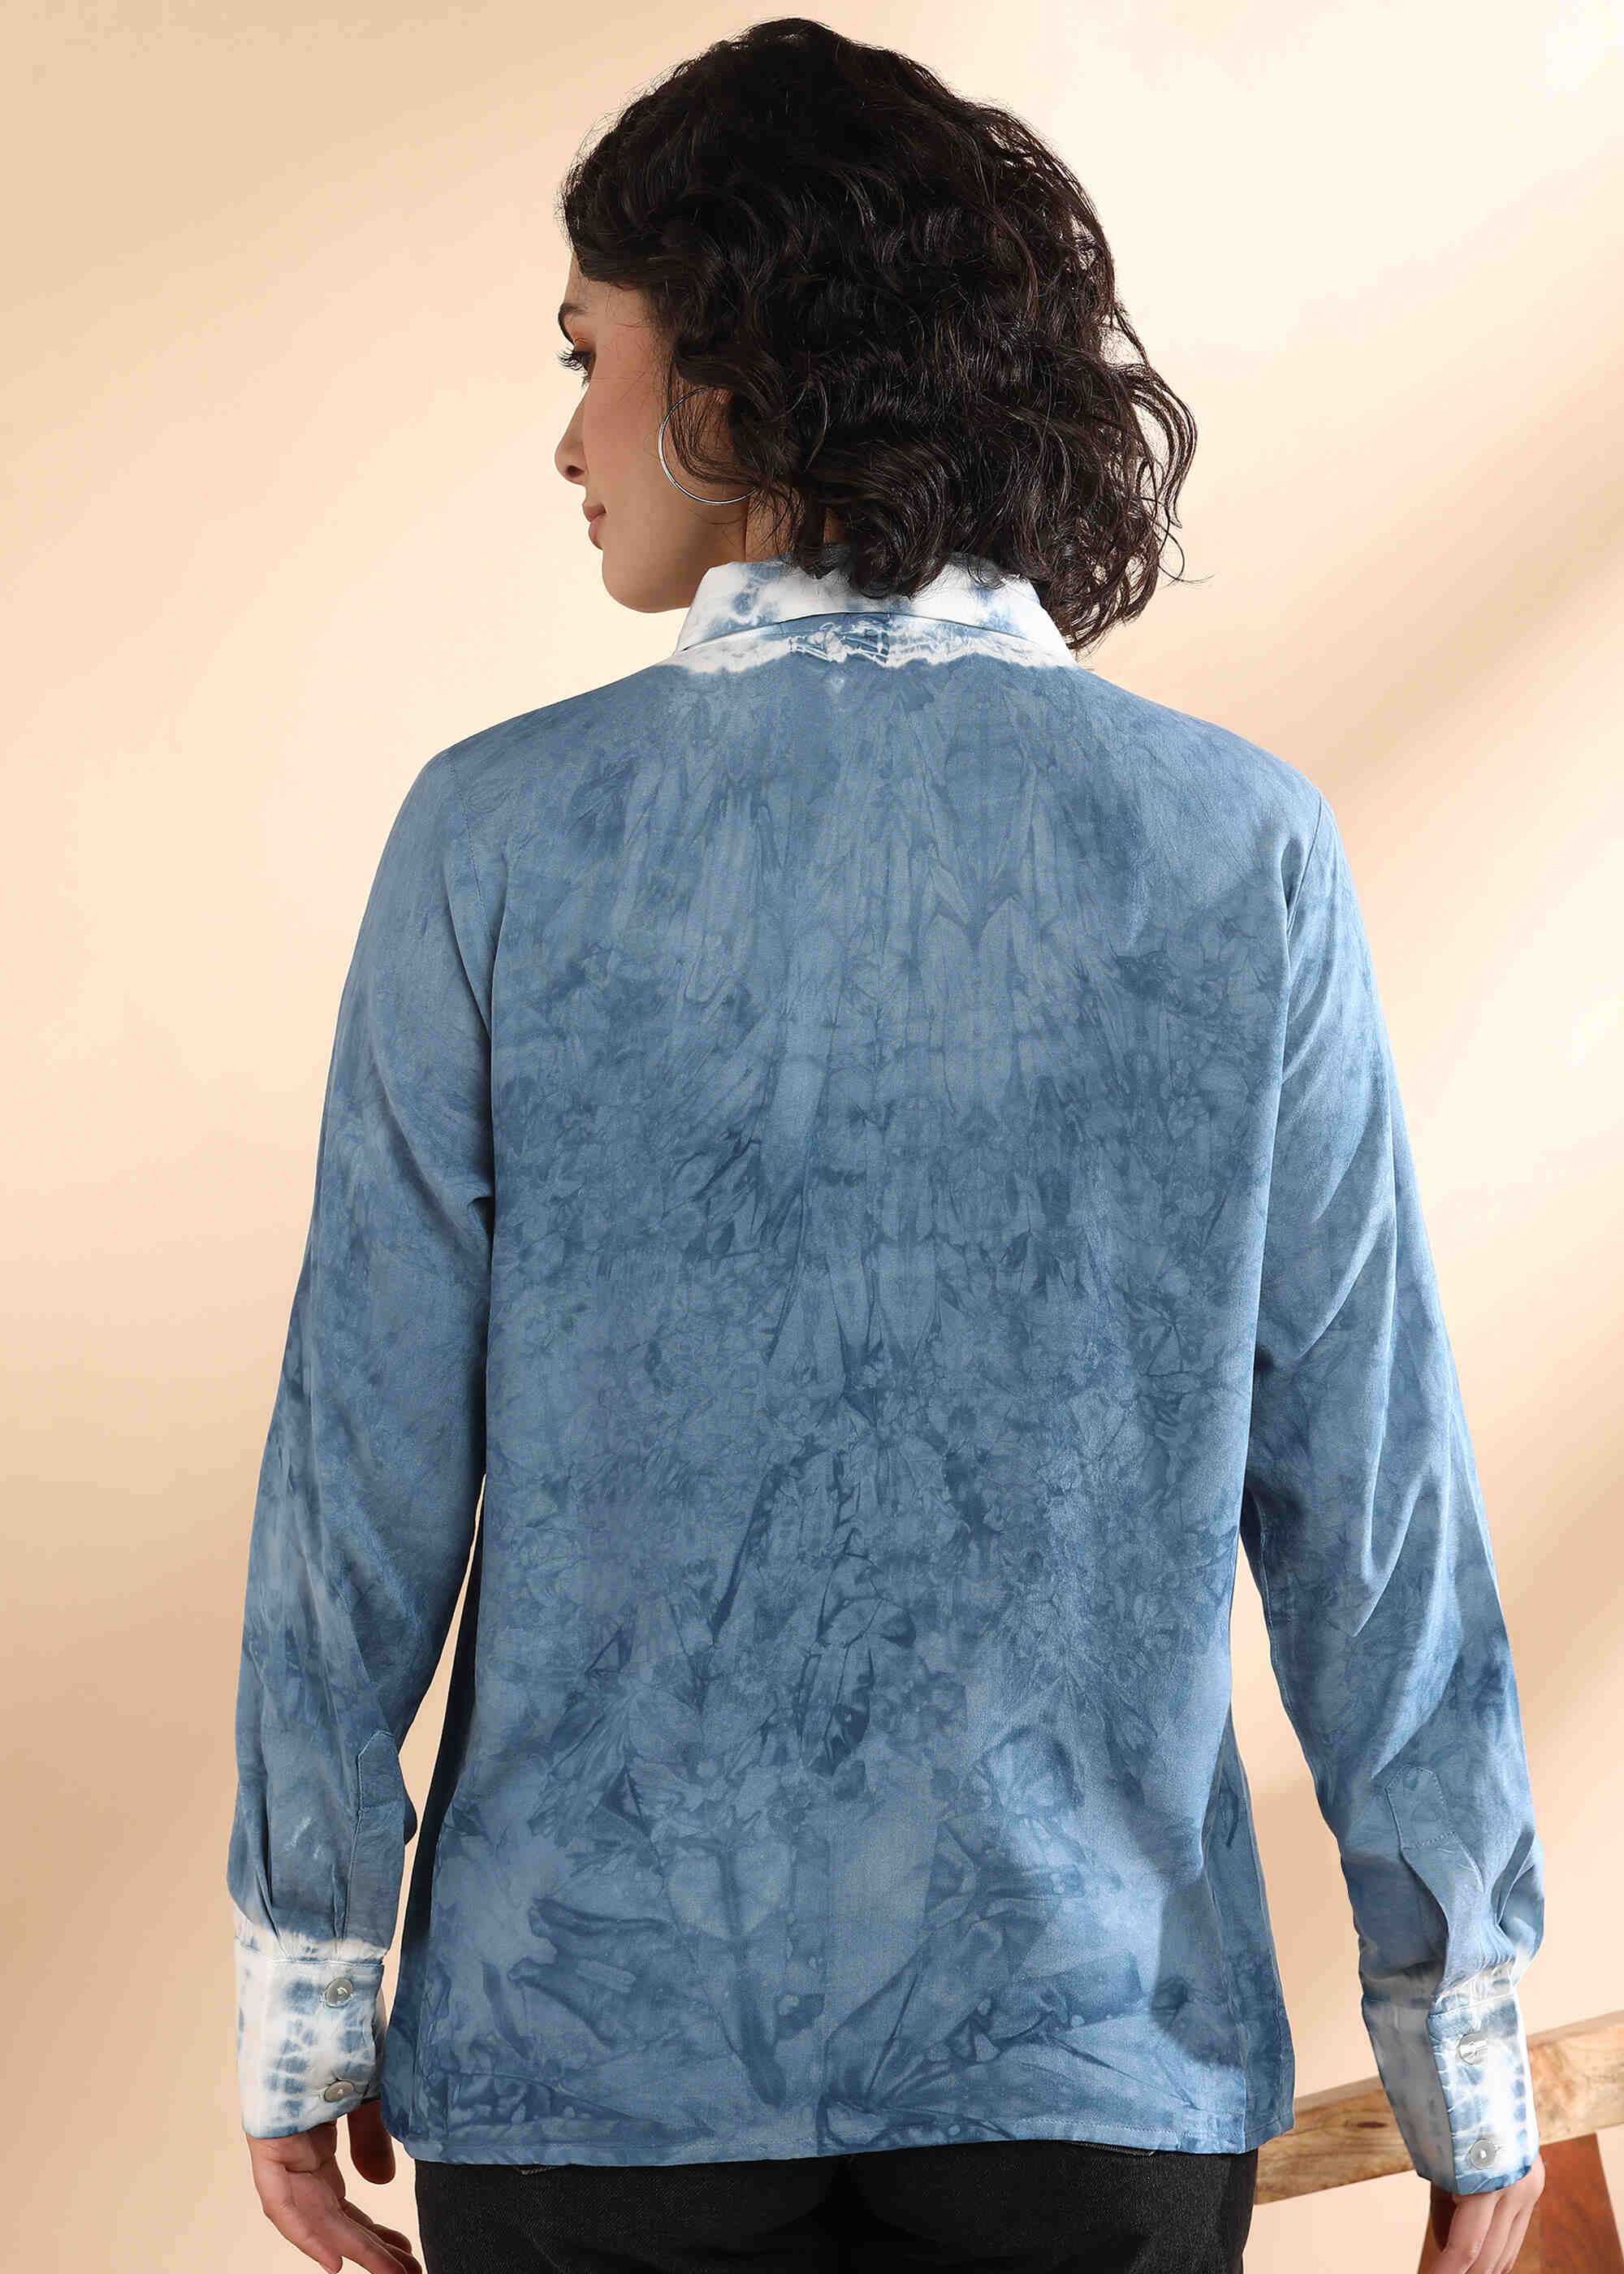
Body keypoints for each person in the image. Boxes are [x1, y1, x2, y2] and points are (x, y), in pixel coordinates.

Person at [227, 19, 1548, 2274]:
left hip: (588, 2074)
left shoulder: (497, 841)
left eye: (591, 356)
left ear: (737, 374)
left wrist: (306, 1998)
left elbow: (363, 1477)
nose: (568, 437)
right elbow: (1374, 1495)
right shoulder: (1240, 848)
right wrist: (1467, 2047)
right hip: (1091, 2068)